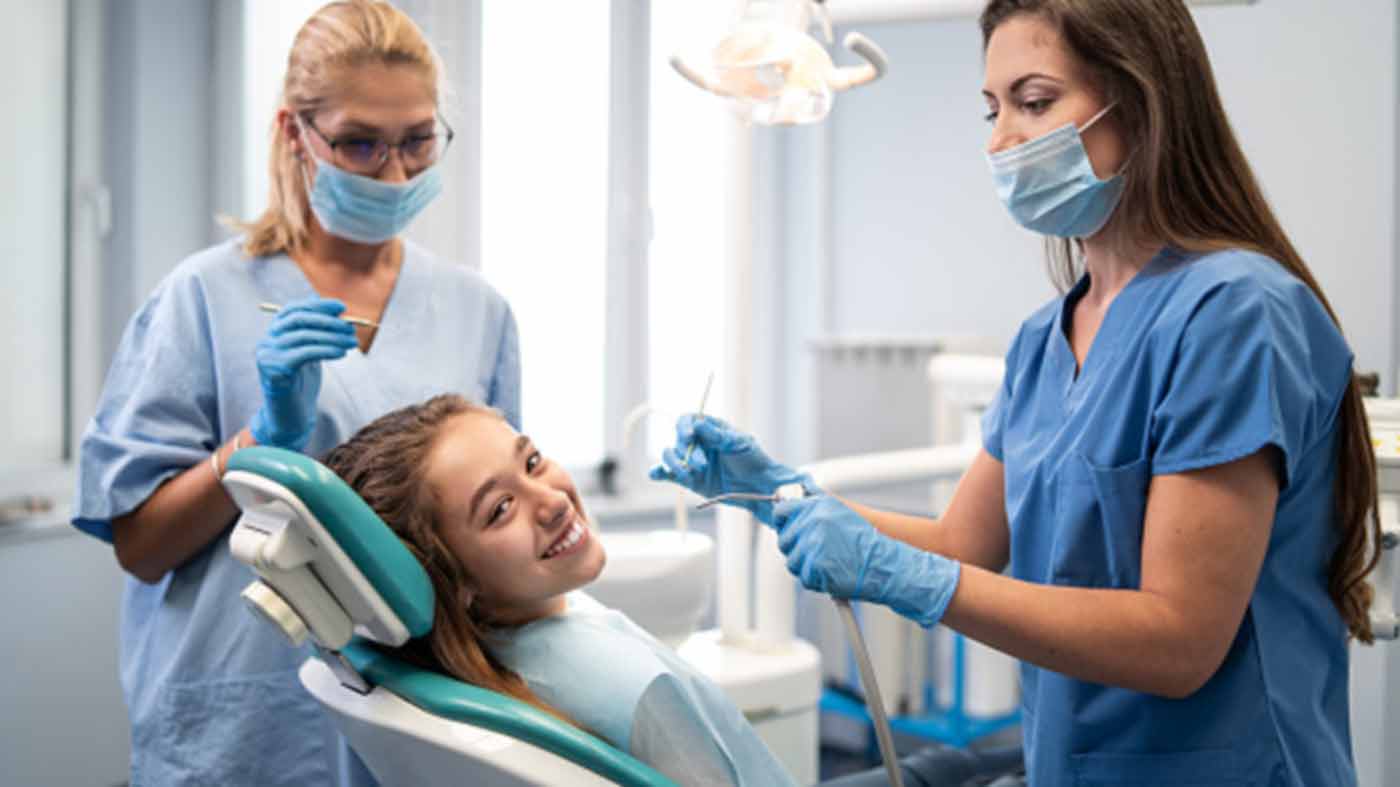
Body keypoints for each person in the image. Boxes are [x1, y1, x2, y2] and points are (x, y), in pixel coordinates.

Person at [653, 1, 1382, 785]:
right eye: (993, 109)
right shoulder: (1044, 340)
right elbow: (964, 545)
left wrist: (915, 583)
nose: (1001, 140)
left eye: (1034, 103)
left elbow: (1179, 639)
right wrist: (780, 494)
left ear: (1139, 104)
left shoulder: (1236, 313)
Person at [70, 2, 520, 784]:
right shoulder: (204, 297)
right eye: (359, 143)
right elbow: (141, 548)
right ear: (295, 134)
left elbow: (496, 544)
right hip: (244, 726)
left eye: (418, 141)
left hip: (415, 718)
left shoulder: (477, 312)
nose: (395, 172)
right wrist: (262, 440)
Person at [321, 393, 797, 787]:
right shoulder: (636, 687)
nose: (551, 500)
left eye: (532, 462)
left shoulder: (489, 657)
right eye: (501, 508)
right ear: (452, 580)